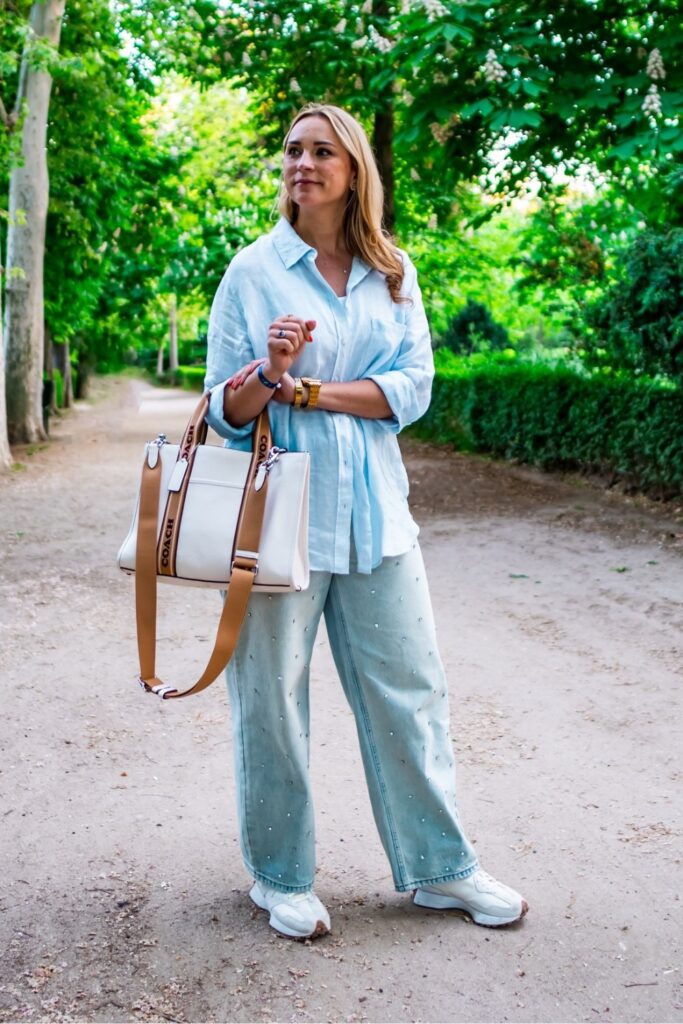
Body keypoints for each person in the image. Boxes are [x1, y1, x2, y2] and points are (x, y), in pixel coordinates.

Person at [204, 102, 528, 939]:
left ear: (352, 170)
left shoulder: (393, 270)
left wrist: (306, 389)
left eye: (320, 151)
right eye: (291, 150)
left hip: (378, 519)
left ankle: (440, 870)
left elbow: (411, 388)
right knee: (271, 700)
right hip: (278, 524)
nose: (301, 163)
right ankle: (280, 877)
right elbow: (221, 412)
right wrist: (266, 372)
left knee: (411, 694)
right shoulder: (252, 272)